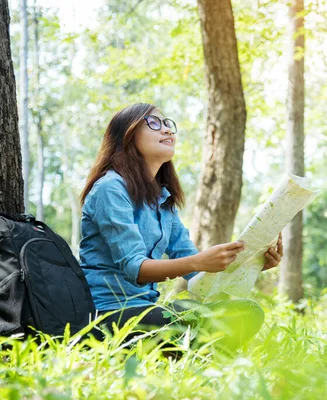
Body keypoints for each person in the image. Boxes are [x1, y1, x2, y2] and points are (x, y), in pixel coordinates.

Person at [79, 103, 283, 351]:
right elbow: (137, 268)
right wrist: (199, 262)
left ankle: (191, 355)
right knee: (188, 318)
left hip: (147, 310)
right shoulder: (110, 188)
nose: (166, 130)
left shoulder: (163, 200)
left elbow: (198, 275)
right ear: (128, 136)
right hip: (108, 316)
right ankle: (194, 354)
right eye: (154, 123)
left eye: (167, 124)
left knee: (247, 311)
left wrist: (254, 264)